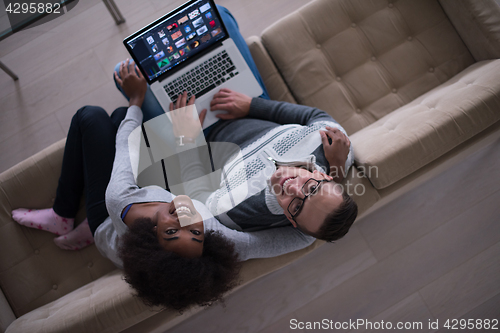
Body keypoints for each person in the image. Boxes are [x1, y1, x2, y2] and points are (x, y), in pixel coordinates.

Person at [115, 5, 358, 243]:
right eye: (312, 188)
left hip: (201, 135)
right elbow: (314, 117)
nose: (292, 188)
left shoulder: (240, 212)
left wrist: (187, 141)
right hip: (244, 101)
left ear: (291, 221)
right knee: (218, 14)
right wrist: (252, 105)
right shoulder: (336, 152)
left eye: (295, 206)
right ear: (324, 176)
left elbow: (199, 198)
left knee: (125, 71)